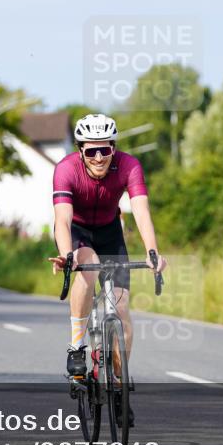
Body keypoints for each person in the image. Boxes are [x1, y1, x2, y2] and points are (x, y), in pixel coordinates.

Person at [47, 114, 167, 426]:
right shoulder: (66, 169)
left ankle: (118, 384)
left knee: (122, 307)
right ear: (80, 150)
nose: (99, 157)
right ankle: (77, 347)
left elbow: (141, 211)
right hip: (79, 233)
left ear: (114, 148)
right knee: (88, 267)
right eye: (91, 151)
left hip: (111, 232)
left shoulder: (129, 166)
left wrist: (152, 252)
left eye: (105, 150)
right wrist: (67, 255)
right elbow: (61, 219)